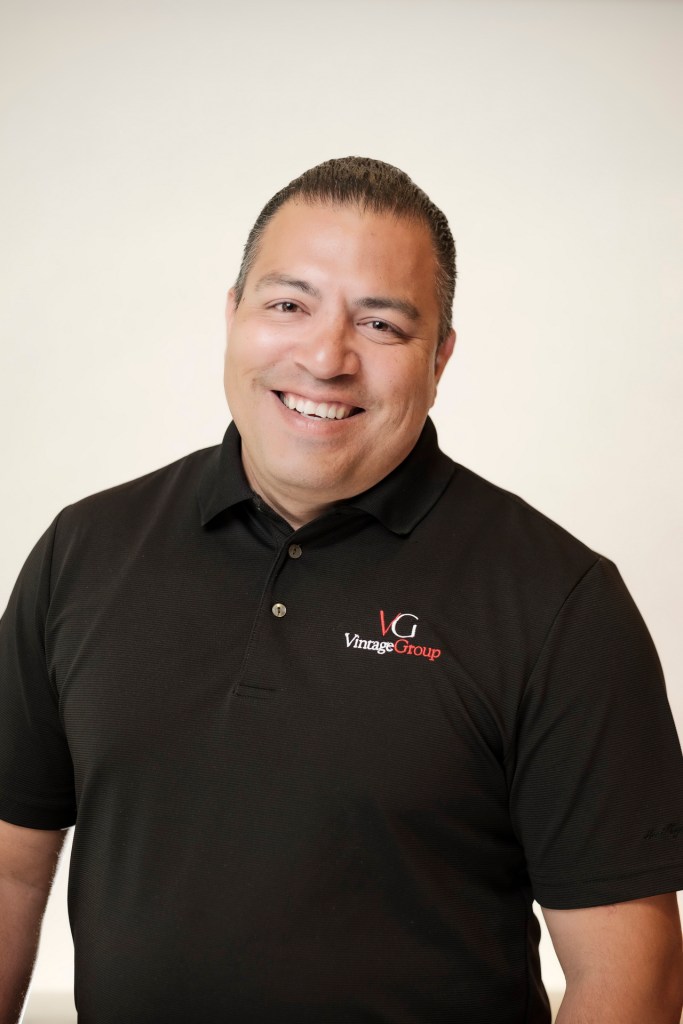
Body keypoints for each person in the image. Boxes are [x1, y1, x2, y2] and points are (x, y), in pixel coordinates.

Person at [0, 156, 681, 1024]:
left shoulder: (559, 603)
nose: (325, 357)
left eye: (383, 325)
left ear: (440, 356)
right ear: (232, 315)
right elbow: (9, 867)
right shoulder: (85, 549)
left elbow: (632, 976)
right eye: (288, 304)